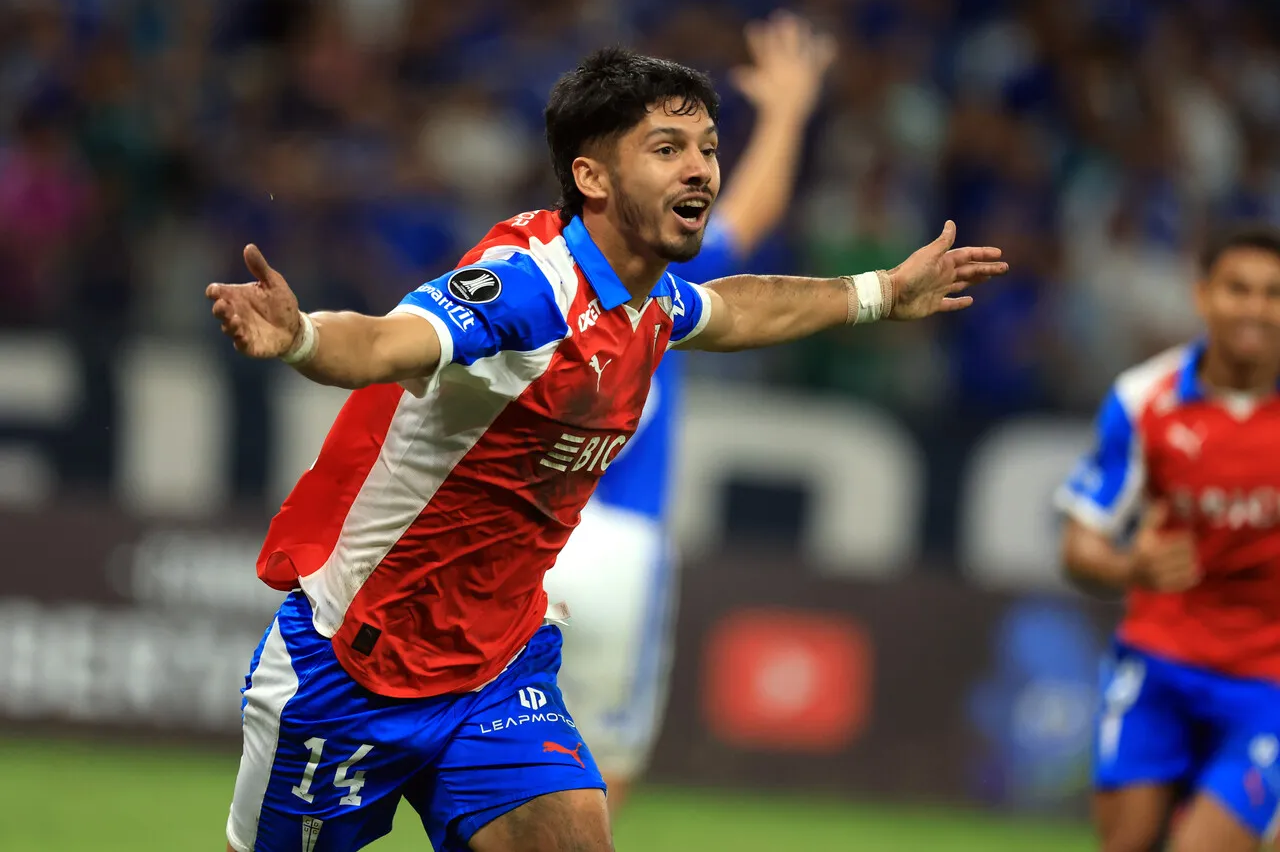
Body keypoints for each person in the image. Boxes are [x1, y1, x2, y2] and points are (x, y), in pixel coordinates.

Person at [209, 47, 1006, 852]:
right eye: (667, 150)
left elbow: (733, 313)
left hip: (494, 668)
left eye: (707, 149)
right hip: (352, 666)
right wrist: (302, 336)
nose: (700, 171)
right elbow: (388, 343)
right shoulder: (527, 286)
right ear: (591, 177)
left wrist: (877, 295)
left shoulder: (647, 297)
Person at [542, 10, 836, 816]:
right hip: (623, 541)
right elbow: (752, 213)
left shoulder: (529, 278)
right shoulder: (666, 274)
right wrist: (785, 112)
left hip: (524, 538)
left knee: (476, 760)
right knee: (595, 776)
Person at [1056, 227, 1280, 852]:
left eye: (1273, 293)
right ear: (1204, 295)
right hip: (1158, 666)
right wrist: (1134, 567)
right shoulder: (1142, 401)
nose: (1256, 308)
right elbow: (1079, 546)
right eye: (1239, 289)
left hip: (1268, 683)